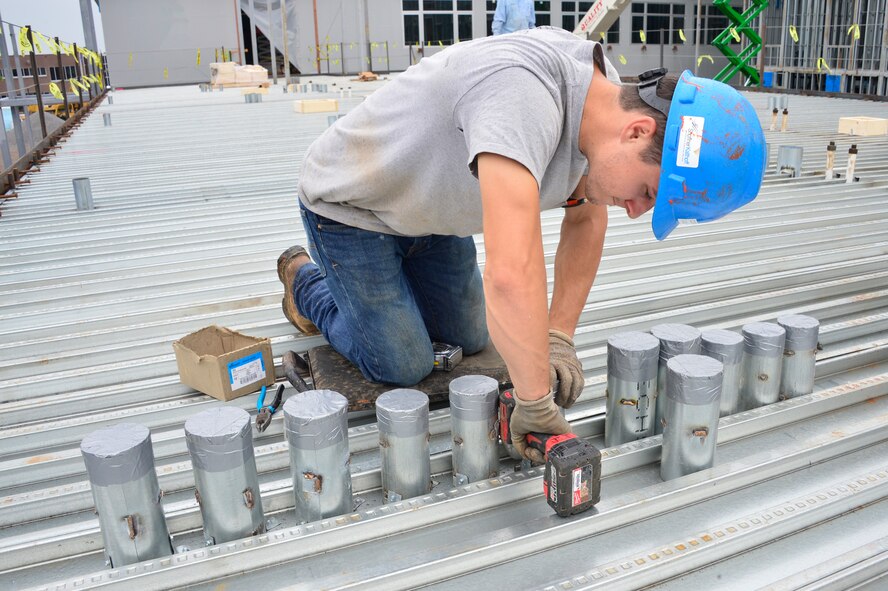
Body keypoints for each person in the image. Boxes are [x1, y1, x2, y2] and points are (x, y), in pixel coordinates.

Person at [278, 27, 765, 462]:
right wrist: (535, 404)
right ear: (638, 130)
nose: (637, 210)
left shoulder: (603, 105)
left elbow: (585, 222)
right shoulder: (523, 97)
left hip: (430, 218)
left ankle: (383, 293)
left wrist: (557, 337)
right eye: (649, 192)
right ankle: (304, 279)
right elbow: (510, 274)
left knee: (470, 341)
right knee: (402, 363)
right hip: (353, 209)